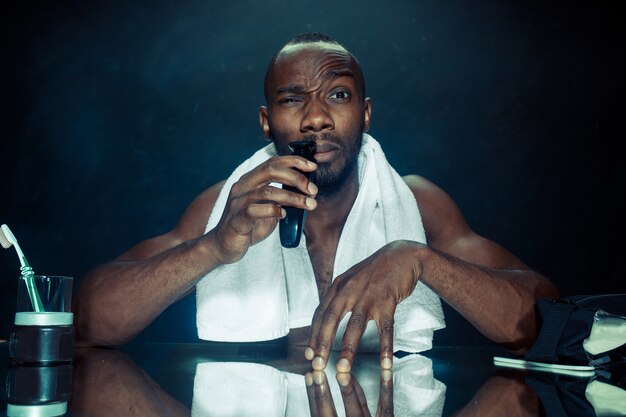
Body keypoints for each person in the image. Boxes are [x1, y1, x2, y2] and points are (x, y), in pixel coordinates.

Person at [74, 32, 560, 372]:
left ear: (365, 114)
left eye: (338, 95)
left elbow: (551, 317)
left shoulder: (417, 203)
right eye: (292, 100)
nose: (316, 119)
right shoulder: (227, 205)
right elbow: (90, 321)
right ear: (267, 123)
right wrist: (213, 248)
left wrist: (420, 260)